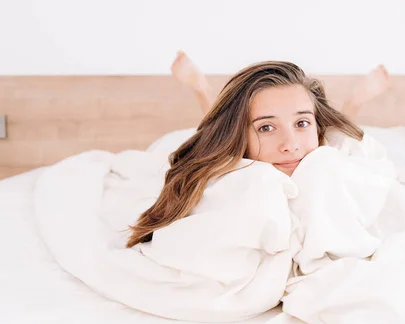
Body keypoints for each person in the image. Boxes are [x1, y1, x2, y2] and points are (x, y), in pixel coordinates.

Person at [126, 51, 390, 248]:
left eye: (301, 122)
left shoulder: (326, 152)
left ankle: (354, 103)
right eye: (266, 128)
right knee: (220, 141)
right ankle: (202, 89)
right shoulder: (236, 172)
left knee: (339, 137)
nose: (290, 145)